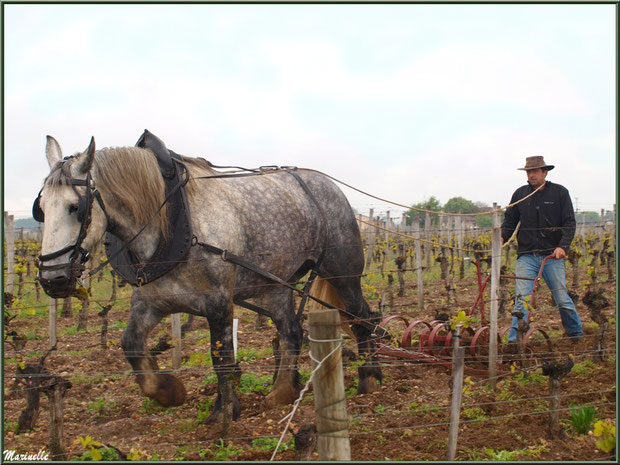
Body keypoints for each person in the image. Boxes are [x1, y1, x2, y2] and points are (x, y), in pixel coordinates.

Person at [501, 156, 583, 343]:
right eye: (529, 172)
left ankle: (575, 334)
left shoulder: (560, 193)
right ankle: (515, 342)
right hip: (527, 256)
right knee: (521, 300)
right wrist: (502, 238)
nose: (531, 175)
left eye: (535, 171)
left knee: (561, 298)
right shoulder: (520, 194)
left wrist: (563, 246)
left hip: (552, 256)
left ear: (545, 172)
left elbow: (569, 223)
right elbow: (510, 221)